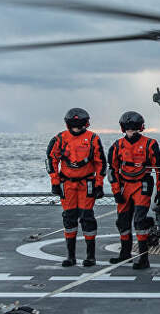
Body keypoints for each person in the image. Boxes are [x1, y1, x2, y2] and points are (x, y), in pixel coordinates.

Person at [46, 108, 106, 267]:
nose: (77, 128)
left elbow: (101, 162)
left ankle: (90, 256)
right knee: (69, 217)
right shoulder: (60, 139)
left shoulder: (93, 138)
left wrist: (99, 184)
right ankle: (70, 256)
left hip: (87, 183)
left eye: (80, 125)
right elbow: (51, 160)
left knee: (87, 218)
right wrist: (55, 182)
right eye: (75, 125)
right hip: (67, 184)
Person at [107, 111, 160, 269]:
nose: (131, 131)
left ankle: (143, 258)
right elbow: (112, 170)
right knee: (122, 222)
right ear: (123, 129)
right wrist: (116, 192)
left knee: (139, 221)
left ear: (140, 128)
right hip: (125, 186)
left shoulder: (150, 144)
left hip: (143, 184)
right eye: (128, 129)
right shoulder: (117, 146)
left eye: (134, 128)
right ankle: (125, 254)